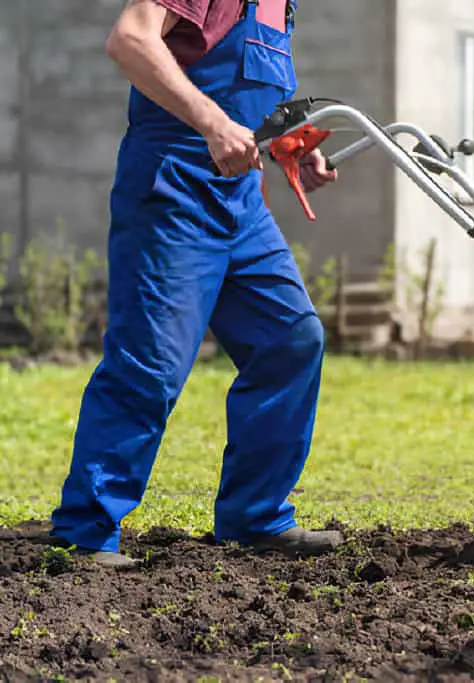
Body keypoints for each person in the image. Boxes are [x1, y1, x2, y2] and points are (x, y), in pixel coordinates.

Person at [48, 0, 341, 568]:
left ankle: (255, 517)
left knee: (291, 339)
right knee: (151, 361)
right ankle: (84, 533)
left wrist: (292, 146)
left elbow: (252, 103)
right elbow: (131, 40)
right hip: (173, 191)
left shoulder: (282, 6)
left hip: (240, 205)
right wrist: (210, 123)